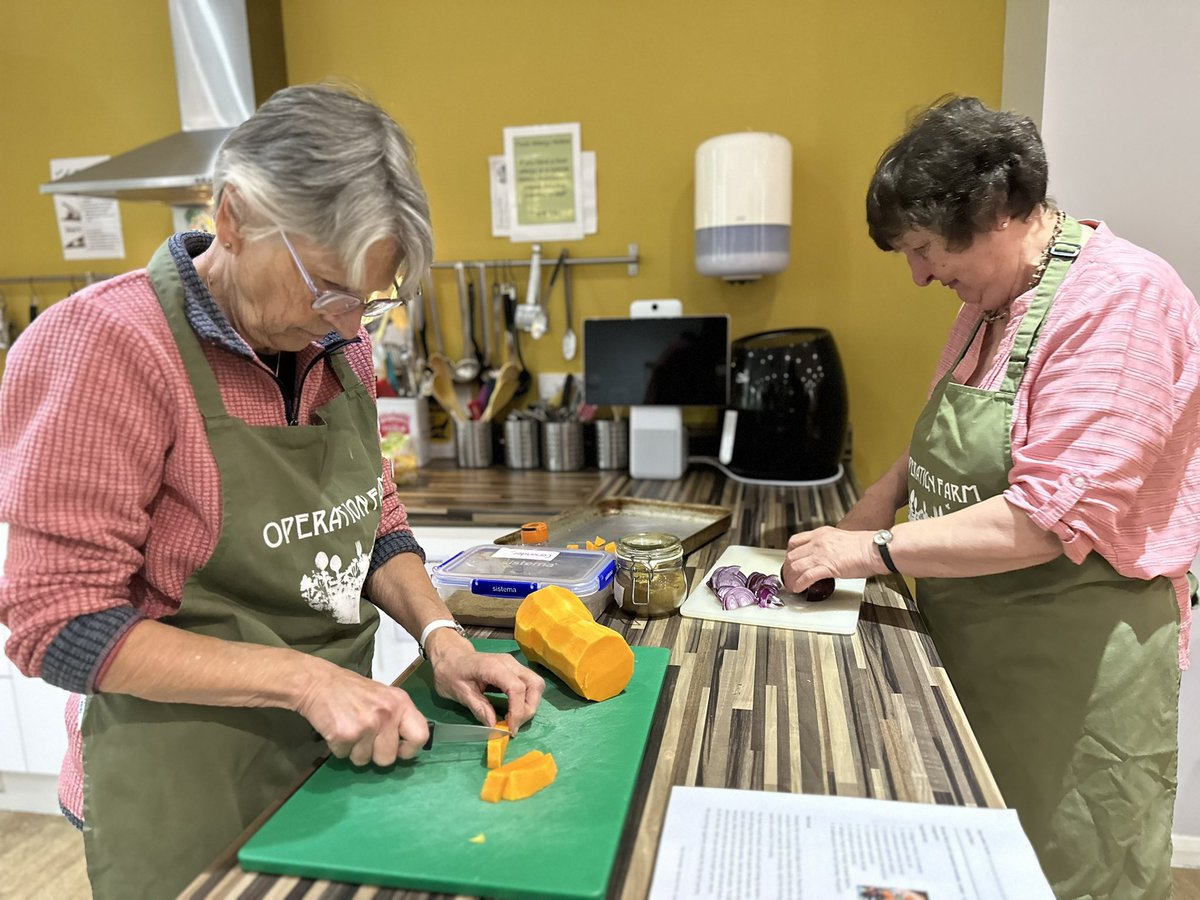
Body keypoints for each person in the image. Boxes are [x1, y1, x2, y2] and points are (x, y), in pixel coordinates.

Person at [0, 82, 544, 899]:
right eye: (329, 287)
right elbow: (58, 624)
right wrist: (305, 679)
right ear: (234, 217)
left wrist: (442, 636)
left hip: (335, 759)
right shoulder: (107, 348)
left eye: (371, 299)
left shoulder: (334, 342)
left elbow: (372, 519)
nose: (353, 326)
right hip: (186, 787)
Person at [781, 96, 1200, 899]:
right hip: (973, 634)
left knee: (1065, 871)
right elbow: (958, 425)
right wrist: (880, 496)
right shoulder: (992, 300)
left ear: (1000, 213)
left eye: (925, 249)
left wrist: (868, 550)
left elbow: (1046, 517)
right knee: (969, 866)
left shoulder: (1120, 302)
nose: (919, 274)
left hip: (1071, 668)